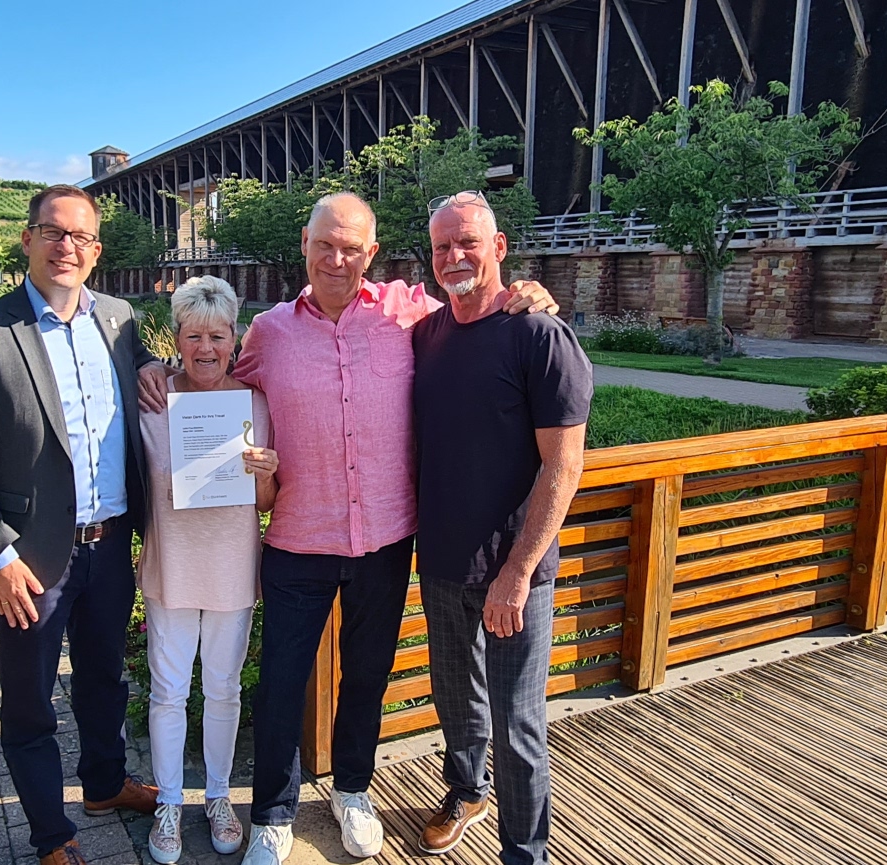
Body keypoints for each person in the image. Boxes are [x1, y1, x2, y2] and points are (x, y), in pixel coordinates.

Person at [202, 192, 556, 865]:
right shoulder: (269, 332)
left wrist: (531, 294)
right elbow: (214, 383)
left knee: (367, 678)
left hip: (386, 543)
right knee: (280, 684)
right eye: (324, 245)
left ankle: (353, 789)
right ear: (304, 244)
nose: (336, 260)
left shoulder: (407, 314)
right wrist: (160, 376)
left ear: (371, 253)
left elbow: (475, 302)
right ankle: (273, 812)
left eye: (351, 248)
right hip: (298, 540)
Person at [0, 184, 172, 865]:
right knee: (30, 701)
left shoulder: (119, 321)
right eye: (53, 232)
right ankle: (52, 836)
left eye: (80, 236)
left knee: (105, 680)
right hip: (30, 560)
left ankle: (104, 785)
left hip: (111, 544)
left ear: (96, 251)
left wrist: (153, 365)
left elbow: (139, 373)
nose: (66, 246)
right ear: (28, 240)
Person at [409, 192, 590, 864]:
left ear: (500, 247)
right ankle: (466, 792)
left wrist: (516, 572)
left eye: (468, 243)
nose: (454, 257)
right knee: (456, 700)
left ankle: (524, 851)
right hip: (442, 560)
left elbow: (564, 466)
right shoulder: (425, 335)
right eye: (442, 246)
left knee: (518, 726)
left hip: (516, 571)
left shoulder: (539, 336)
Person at [137, 276, 279, 863]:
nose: (206, 348)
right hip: (171, 564)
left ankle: (219, 796)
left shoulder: (255, 403)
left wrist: (265, 472)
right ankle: (169, 802)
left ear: (234, 338)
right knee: (169, 691)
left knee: (223, 689)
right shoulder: (151, 399)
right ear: (176, 338)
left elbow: (266, 502)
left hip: (230, 564)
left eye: (217, 336)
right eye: (193, 335)